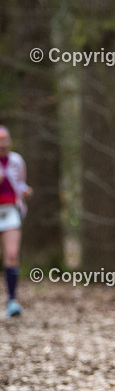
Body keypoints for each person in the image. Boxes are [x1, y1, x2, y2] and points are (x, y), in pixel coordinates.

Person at [0, 126, 32, 318]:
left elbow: (20, 183)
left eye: (5, 139)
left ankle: (12, 301)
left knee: (12, 254)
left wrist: (26, 190)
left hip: (11, 210)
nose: (2, 144)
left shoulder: (16, 161)